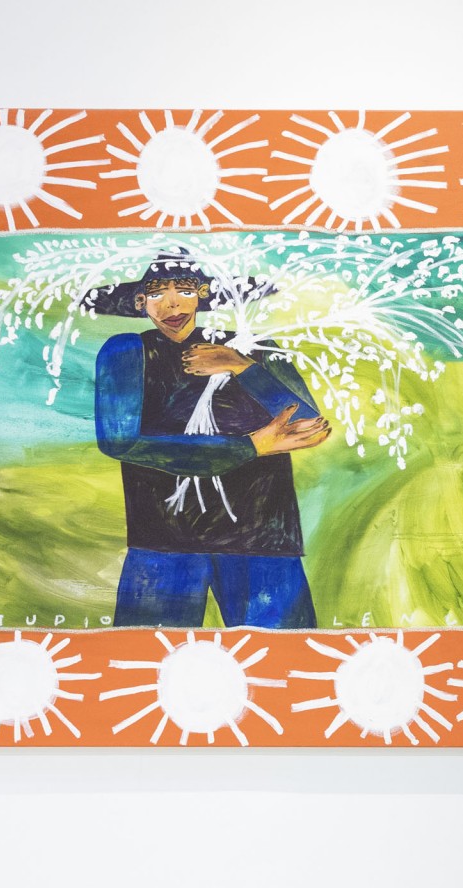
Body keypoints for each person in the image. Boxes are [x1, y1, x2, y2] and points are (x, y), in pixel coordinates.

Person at [87, 248, 331, 629]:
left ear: (202, 294)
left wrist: (240, 366)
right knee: (145, 654)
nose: (172, 303)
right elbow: (121, 442)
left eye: (184, 290)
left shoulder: (253, 348)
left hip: (263, 539)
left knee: (286, 654)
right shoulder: (126, 353)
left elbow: (310, 425)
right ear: (140, 301)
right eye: (157, 292)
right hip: (164, 541)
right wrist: (252, 446)